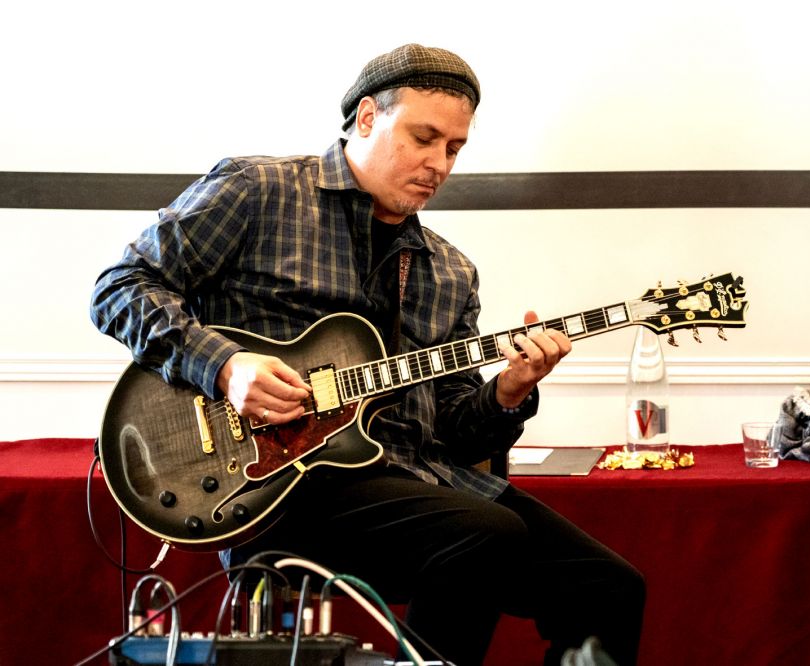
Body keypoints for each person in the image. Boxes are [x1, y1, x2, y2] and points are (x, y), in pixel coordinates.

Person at [91, 43, 645, 665]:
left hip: (419, 482)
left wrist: (509, 392)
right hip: (278, 487)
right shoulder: (258, 191)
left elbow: (456, 434)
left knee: (610, 587)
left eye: (454, 148)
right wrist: (223, 366)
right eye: (423, 138)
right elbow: (120, 287)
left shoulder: (450, 272)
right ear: (366, 118)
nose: (439, 164)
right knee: (484, 534)